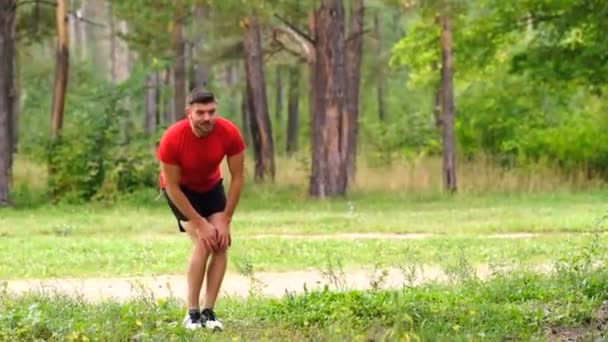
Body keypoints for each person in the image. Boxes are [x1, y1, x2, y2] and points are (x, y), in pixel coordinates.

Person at [156, 88, 246, 331]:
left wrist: (226, 219)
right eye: (200, 112)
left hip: (211, 187)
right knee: (205, 241)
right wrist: (199, 223)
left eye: (211, 112)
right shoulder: (173, 138)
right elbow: (172, 187)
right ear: (189, 113)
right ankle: (192, 314)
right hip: (181, 192)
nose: (207, 118)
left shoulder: (228, 132)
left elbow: (238, 177)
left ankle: (209, 312)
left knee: (220, 241)